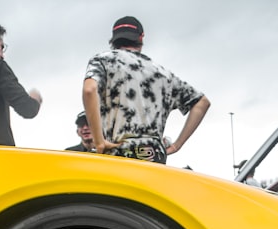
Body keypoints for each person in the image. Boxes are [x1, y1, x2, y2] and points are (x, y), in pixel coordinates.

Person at [82, 16, 210, 163]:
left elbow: (89, 90)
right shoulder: (162, 74)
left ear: (114, 39)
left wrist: (99, 141)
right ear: (141, 37)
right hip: (154, 158)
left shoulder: (103, 61)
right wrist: (176, 145)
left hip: (117, 155)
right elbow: (202, 102)